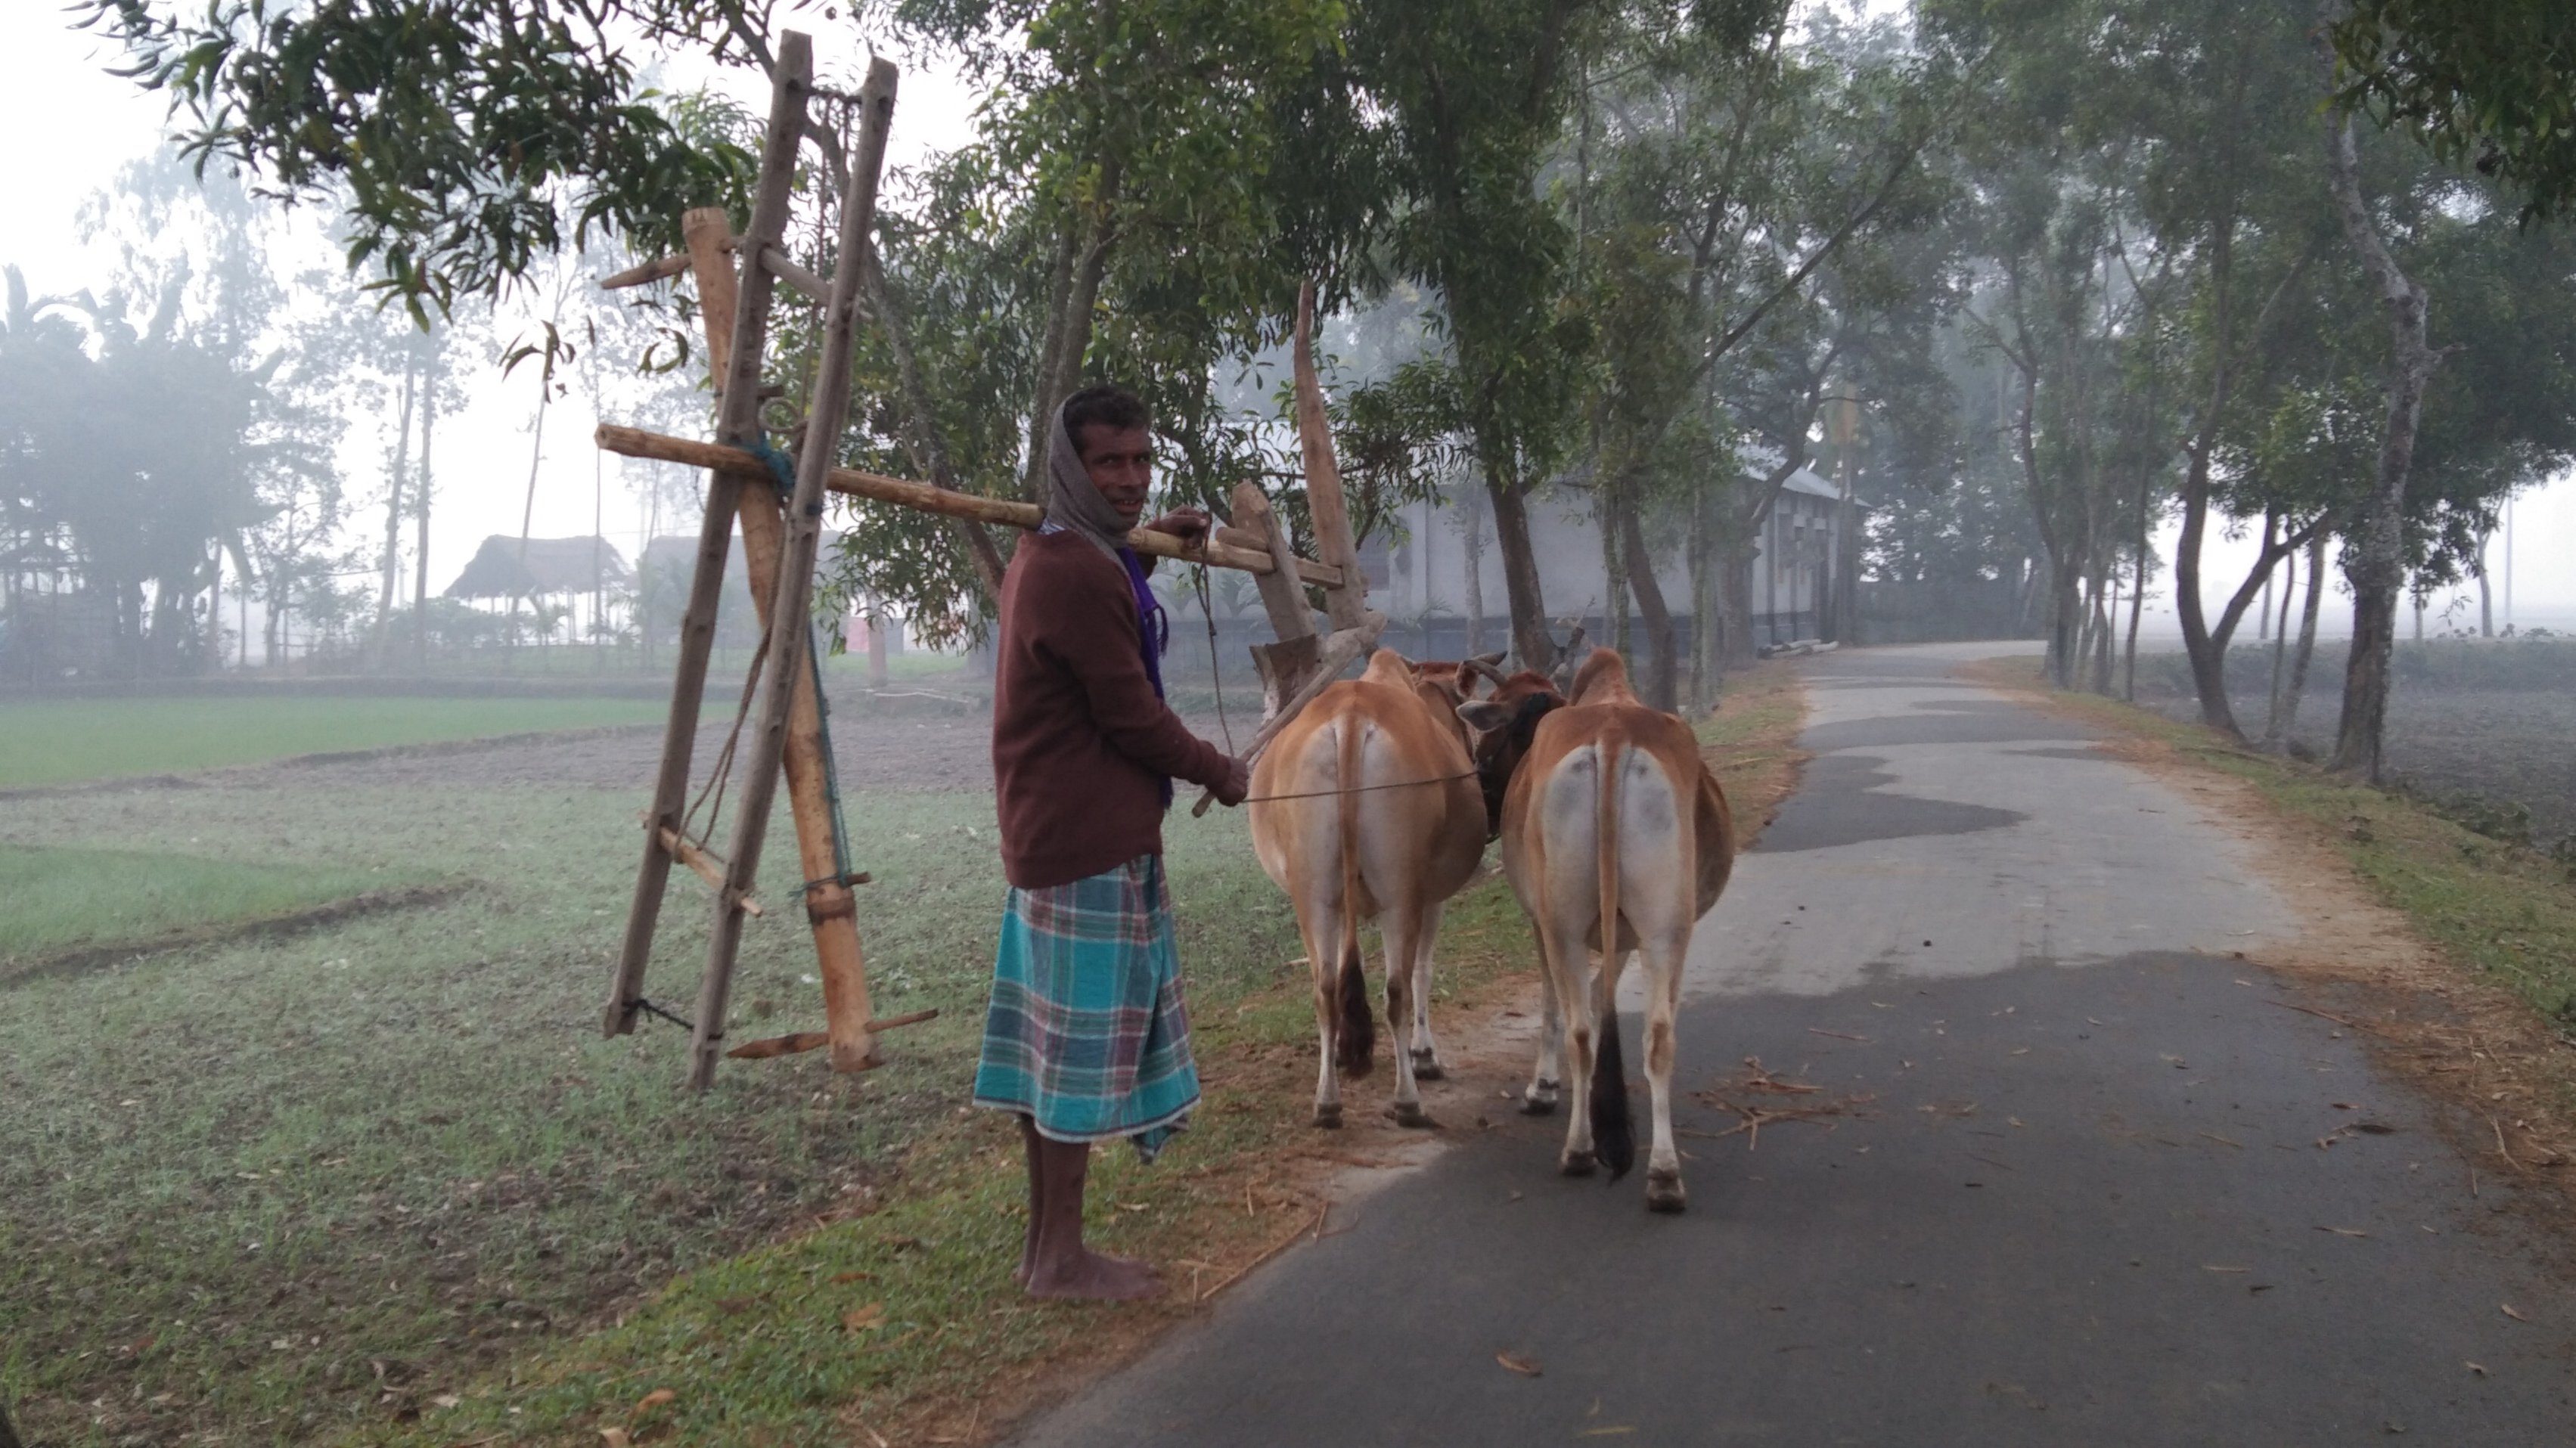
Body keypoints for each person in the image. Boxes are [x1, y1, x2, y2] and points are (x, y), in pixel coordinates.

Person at [974, 383, 1252, 1300]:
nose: (1129, 480)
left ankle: (1042, 1250)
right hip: (1087, 846)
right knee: (1076, 1058)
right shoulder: (1079, 572)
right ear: (1071, 466)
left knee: (1052, 1053)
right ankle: (1058, 1259)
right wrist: (1221, 769)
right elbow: (1131, 713)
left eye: (1140, 460)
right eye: (1109, 463)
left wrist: (1149, 538)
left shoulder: (1053, 549)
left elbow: (1107, 589)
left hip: (1053, 837)